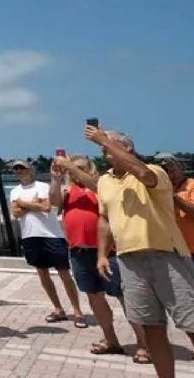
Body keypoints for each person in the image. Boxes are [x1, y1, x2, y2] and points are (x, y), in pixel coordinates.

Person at [89, 125, 194, 378]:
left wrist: (105, 139)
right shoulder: (104, 181)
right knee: (151, 327)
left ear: (128, 148)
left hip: (167, 256)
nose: (105, 151)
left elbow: (144, 174)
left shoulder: (154, 172)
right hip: (129, 261)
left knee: (191, 321)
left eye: (110, 146)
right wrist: (102, 254)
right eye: (103, 148)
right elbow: (104, 218)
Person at [50, 154, 146, 361]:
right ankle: (111, 339)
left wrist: (70, 167)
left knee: (124, 296)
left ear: (90, 168)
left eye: (79, 167)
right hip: (79, 252)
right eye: (72, 168)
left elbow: (95, 186)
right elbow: (53, 202)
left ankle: (143, 343)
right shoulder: (68, 191)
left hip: (107, 251)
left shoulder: (102, 184)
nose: (73, 171)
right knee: (94, 297)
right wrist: (56, 179)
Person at [8, 158, 85, 325]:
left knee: (64, 274)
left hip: (51, 235)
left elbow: (46, 207)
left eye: (22, 168)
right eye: (16, 169)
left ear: (30, 170)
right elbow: (16, 213)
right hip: (29, 236)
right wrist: (32, 204)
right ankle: (58, 308)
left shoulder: (43, 187)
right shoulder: (14, 191)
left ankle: (77, 310)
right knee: (43, 274)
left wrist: (23, 204)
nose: (19, 171)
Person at [154, 153, 194, 253]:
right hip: (177, 251)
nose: (172, 175)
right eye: (168, 172)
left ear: (180, 167)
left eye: (173, 170)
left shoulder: (192, 185)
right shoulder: (162, 191)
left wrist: (173, 197)